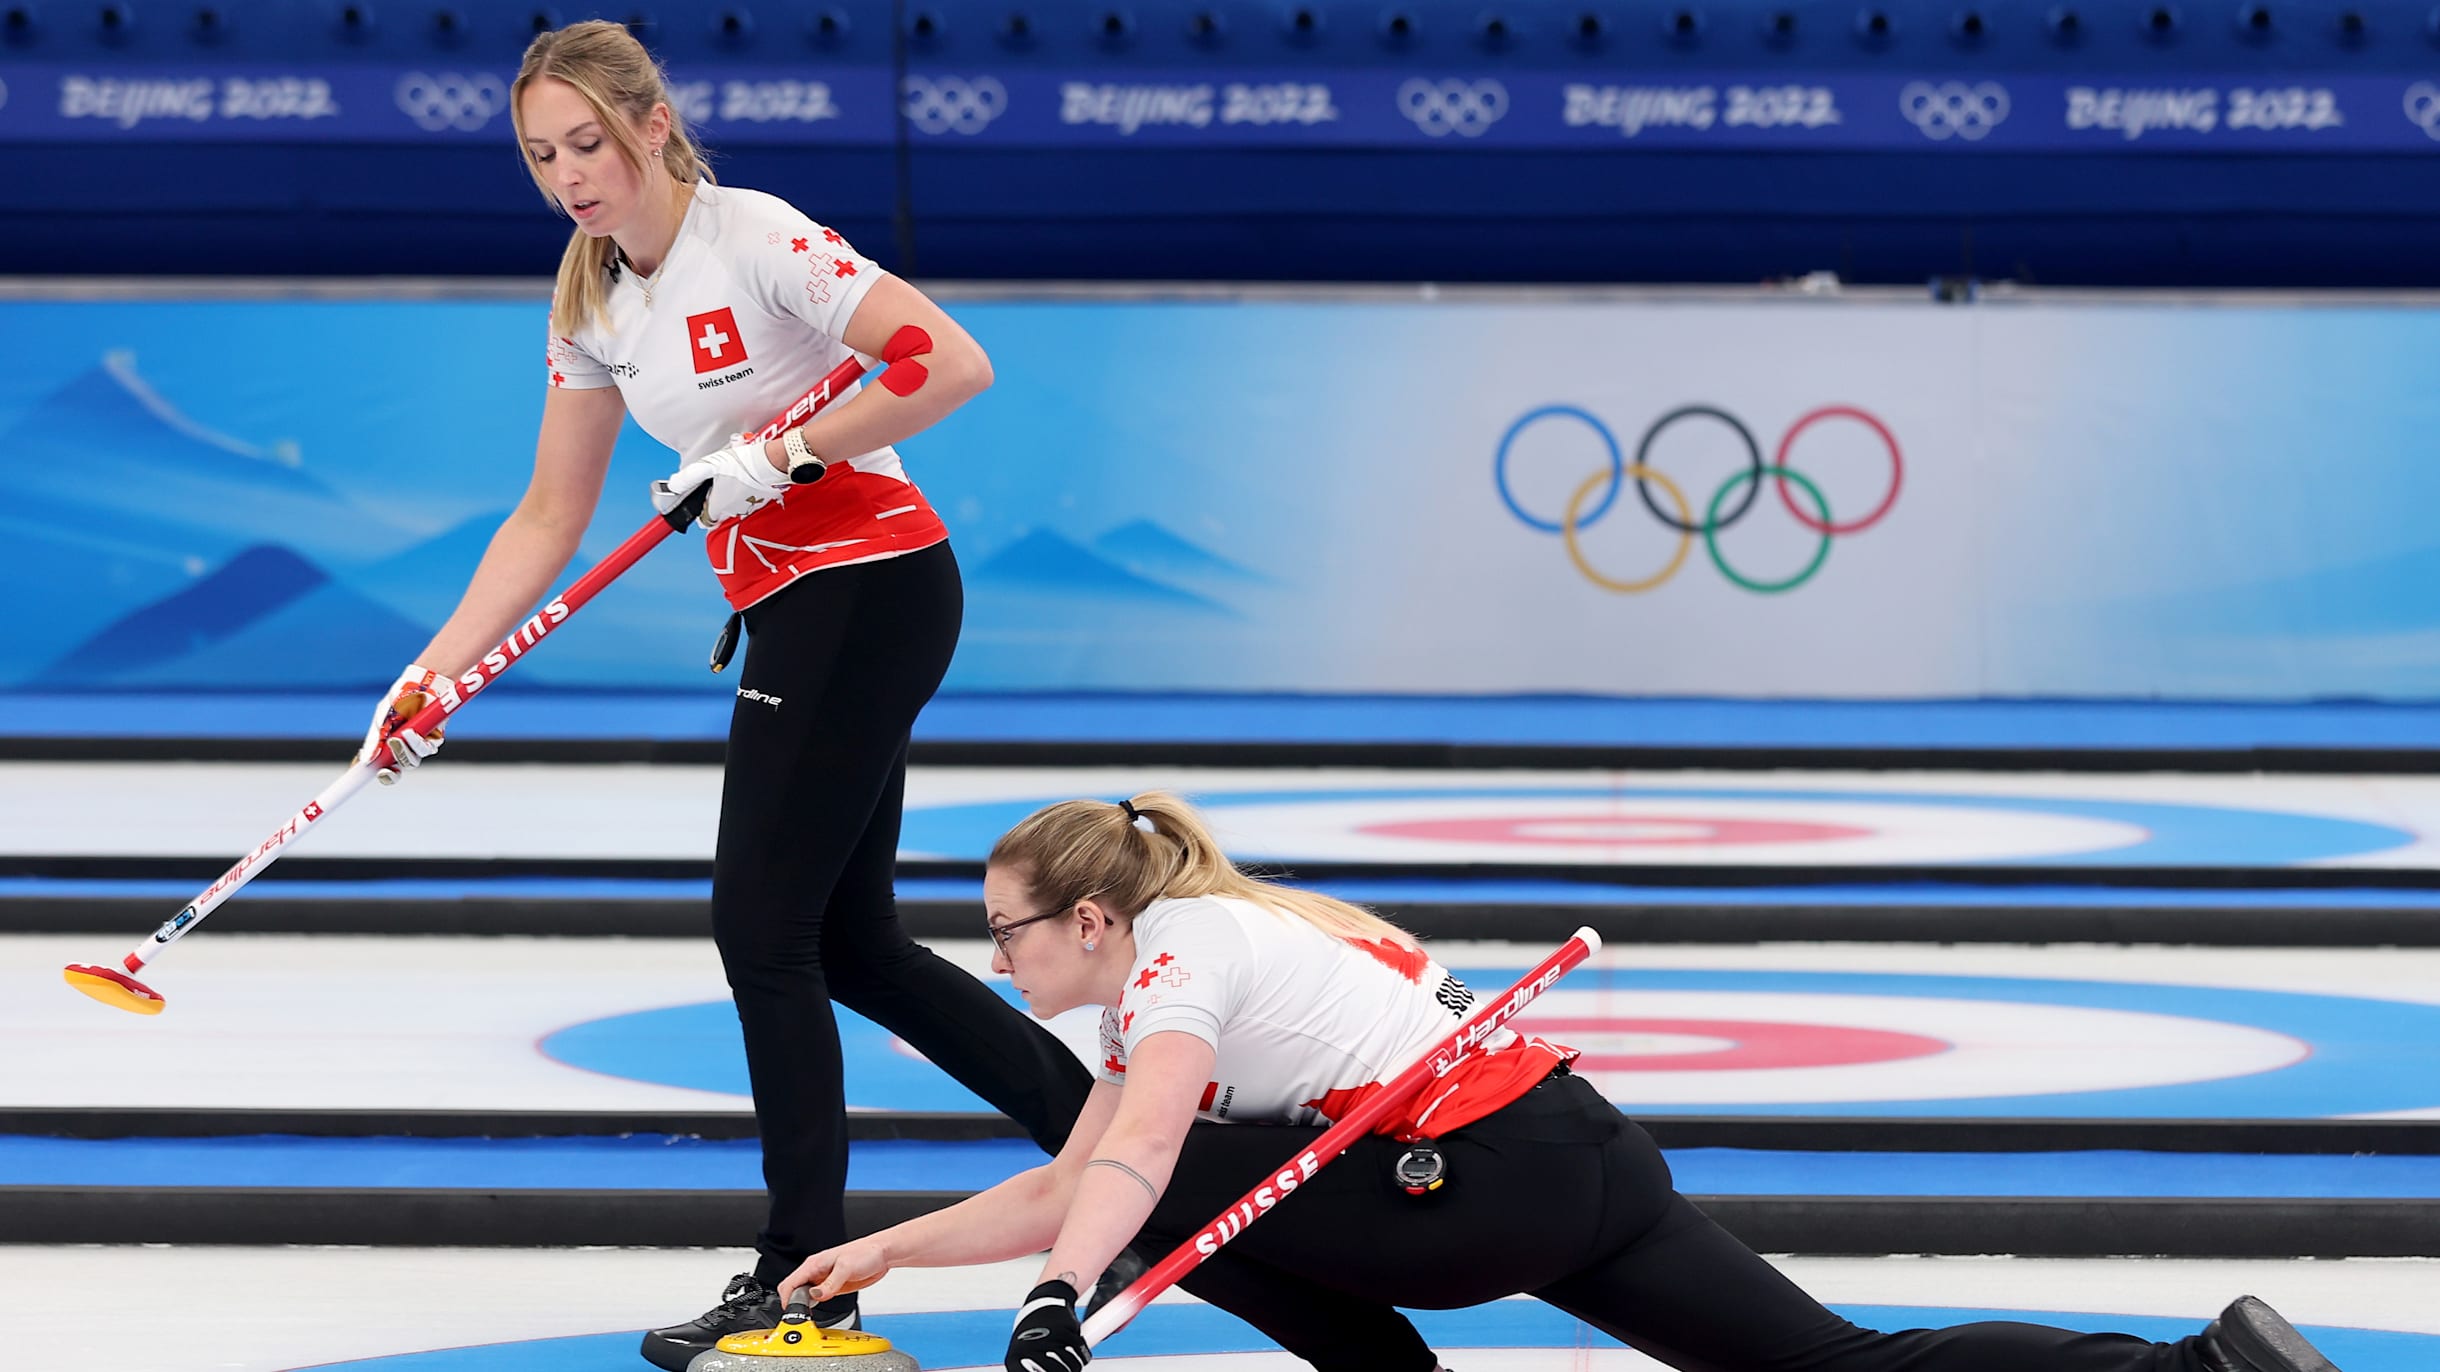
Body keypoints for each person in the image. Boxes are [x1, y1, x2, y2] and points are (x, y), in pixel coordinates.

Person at [350, 21, 1093, 1370]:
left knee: (761, 926)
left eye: (587, 141)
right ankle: (1123, 1154)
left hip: (869, 584)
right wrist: (434, 669)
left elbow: (950, 360)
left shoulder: (750, 236)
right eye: (540, 154)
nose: (571, 174)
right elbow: (546, 512)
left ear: (648, 123)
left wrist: (785, 456)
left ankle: (801, 1280)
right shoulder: (589, 297)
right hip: (793, 607)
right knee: (849, 940)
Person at [777, 791, 2345, 1372]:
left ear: (1094, 919)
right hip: (1584, 1153)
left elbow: (1122, 1168)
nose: (997, 963)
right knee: (1831, 1370)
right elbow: (1094, 1175)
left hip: (1473, 1188)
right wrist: (894, 1254)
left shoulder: (1180, 966)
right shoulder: (1262, 920)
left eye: (1006, 934)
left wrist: (1055, 1293)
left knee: (1166, 1176)